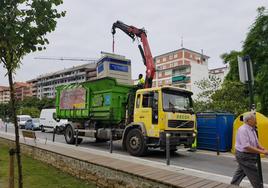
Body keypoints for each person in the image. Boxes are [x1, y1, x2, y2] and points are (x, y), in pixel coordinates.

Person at [231, 112, 268, 188]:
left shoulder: (252, 129)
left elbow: (256, 141)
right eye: (254, 119)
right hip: (244, 156)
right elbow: (246, 146)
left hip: (248, 155)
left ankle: (232, 185)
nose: (255, 120)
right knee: (254, 174)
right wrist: (262, 152)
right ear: (248, 121)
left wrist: (261, 147)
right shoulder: (243, 130)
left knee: (241, 171)